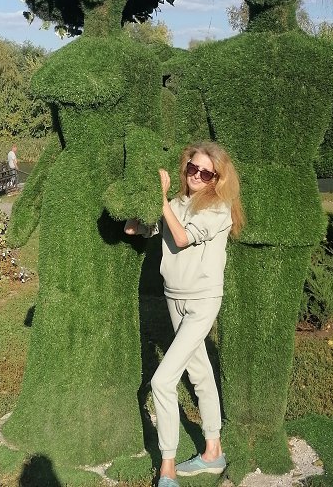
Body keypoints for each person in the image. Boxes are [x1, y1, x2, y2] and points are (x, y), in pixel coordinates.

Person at [125, 141, 244, 487]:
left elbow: (180, 237)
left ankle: (167, 467)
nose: (197, 175)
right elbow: (135, 229)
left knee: (162, 381)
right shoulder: (177, 203)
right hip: (174, 298)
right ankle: (213, 451)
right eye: (193, 168)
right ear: (186, 167)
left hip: (203, 300)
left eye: (206, 173)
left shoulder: (218, 208)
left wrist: (162, 200)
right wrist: (147, 198)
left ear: (217, 179)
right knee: (200, 372)